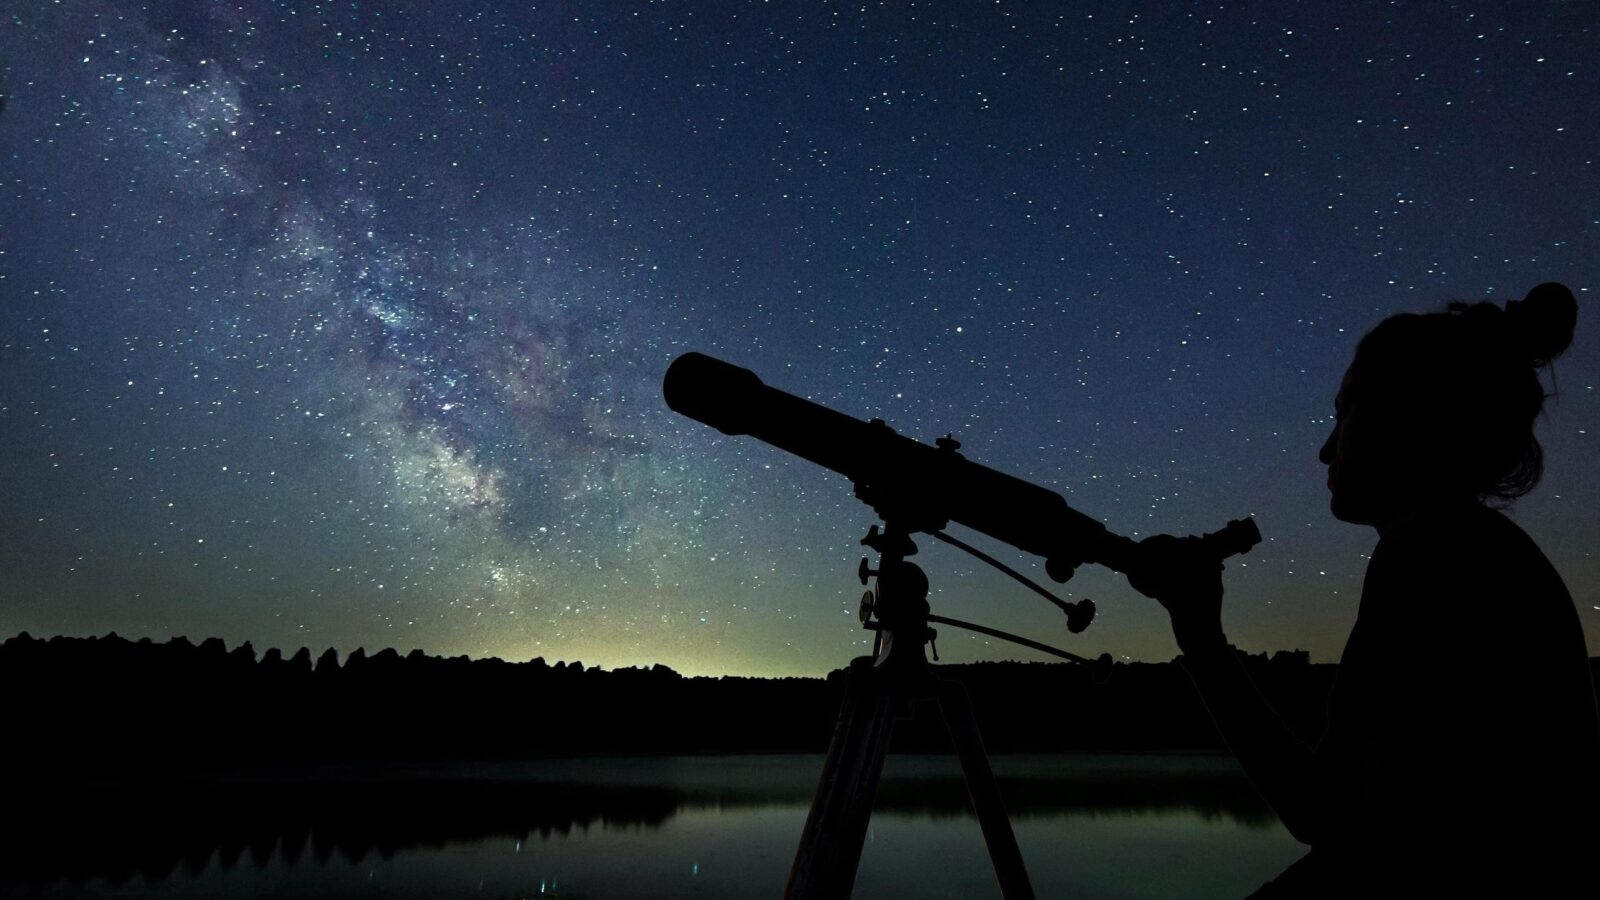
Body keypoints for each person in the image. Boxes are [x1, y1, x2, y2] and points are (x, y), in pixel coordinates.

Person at [1131, 283, 1599, 896]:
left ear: (1410, 418)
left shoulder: (1430, 551)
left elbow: (1325, 812)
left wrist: (1199, 635)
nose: (1325, 450)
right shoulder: (1473, 547)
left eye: (1345, 413)